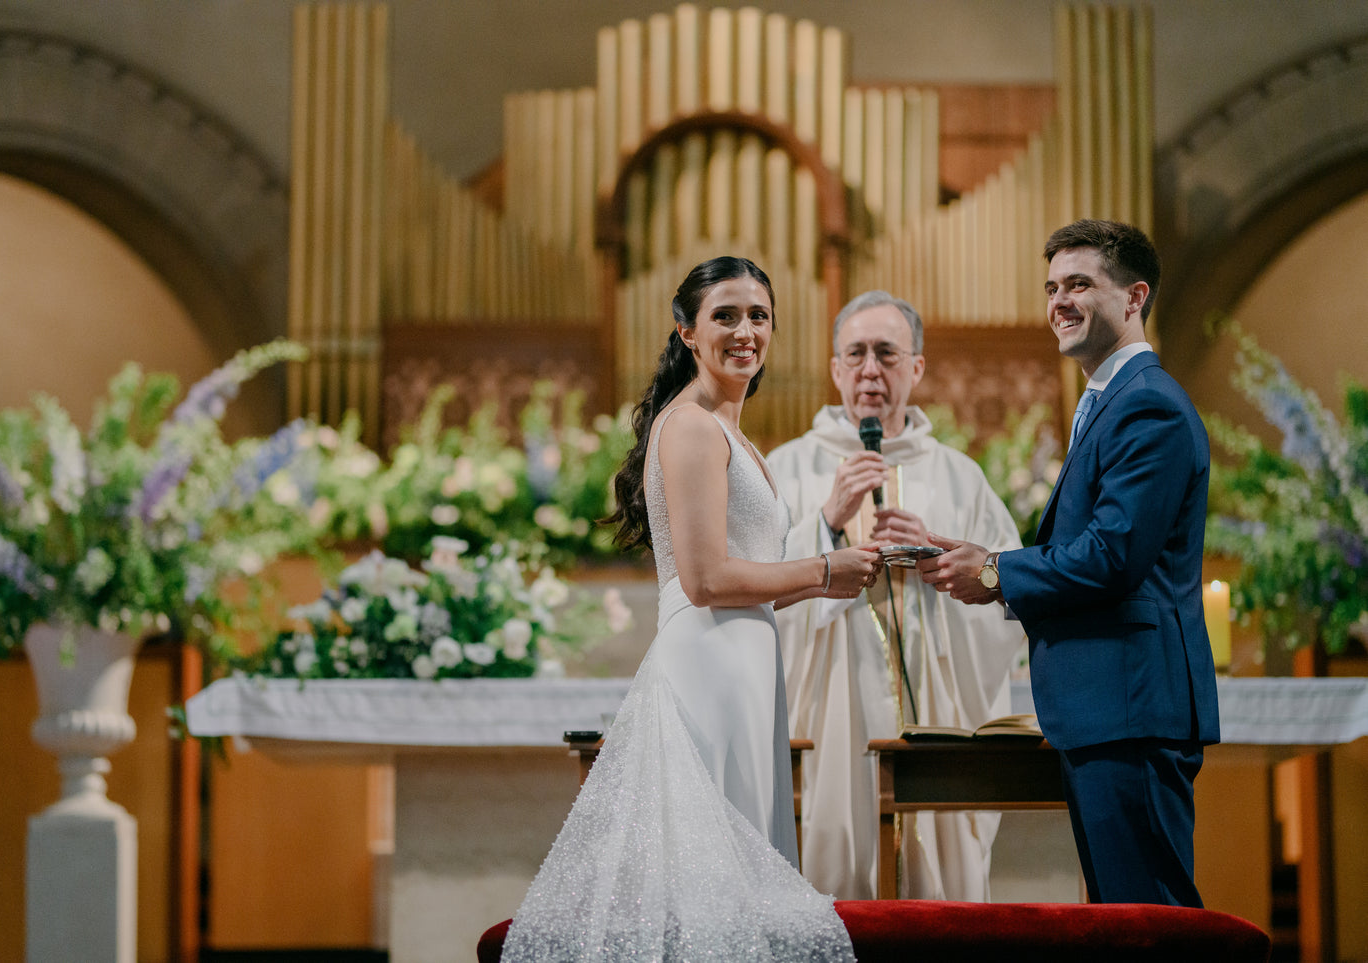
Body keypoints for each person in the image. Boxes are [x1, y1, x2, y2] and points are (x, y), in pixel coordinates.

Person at [501, 256, 881, 961]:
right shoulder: (693, 427)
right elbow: (705, 578)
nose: (745, 330)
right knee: (708, 878)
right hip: (709, 663)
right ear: (685, 330)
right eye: (725, 315)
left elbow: (749, 564)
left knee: (739, 873)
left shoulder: (727, 431)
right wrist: (827, 568)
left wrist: (829, 546)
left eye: (758, 315)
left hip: (742, 660)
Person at [918, 218, 1220, 906]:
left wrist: (993, 572)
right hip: (1109, 708)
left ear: (1133, 296)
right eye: (1051, 286)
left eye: (1079, 283)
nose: (1058, 300)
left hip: (1132, 708)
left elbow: (1112, 557)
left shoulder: (1147, 406)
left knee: (1150, 922)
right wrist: (978, 560)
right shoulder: (1107, 401)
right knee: (1121, 919)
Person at [766, 290, 1027, 901]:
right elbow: (752, 588)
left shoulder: (960, 476)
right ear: (834, 369)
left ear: (916, 367)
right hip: (825, 720)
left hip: (936, 717)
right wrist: (826, 522)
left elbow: (1008, 594)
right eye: (854, 354)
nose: (869, 371)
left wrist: (939, 555)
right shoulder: (790, 467)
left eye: (886, 354)